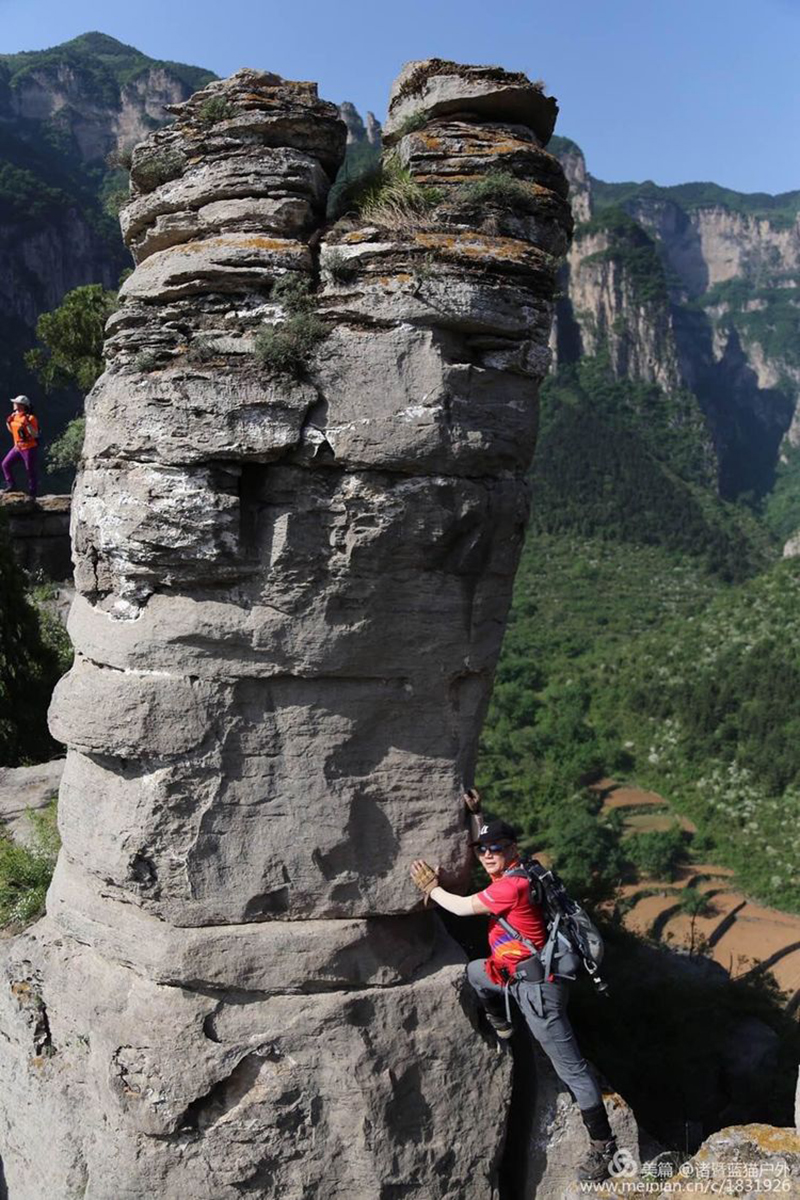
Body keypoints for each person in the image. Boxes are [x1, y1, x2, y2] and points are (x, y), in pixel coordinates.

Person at [410, 791, 618, 1184]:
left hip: (539, 991)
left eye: (496, 848)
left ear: (513, 848)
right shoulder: (525, 870)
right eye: (482, 848)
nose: (487, 854)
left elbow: (459, 907)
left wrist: (432, 888)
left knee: (571, 1070)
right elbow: (489, 854)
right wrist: (477, 816)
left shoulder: (510, 888)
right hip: (512, 975)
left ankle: (604, 1146)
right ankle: (503, 1023)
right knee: (474, 974)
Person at [2, 396, 40, 499]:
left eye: (16, 403)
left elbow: (35, 434)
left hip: (29, 448)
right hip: (18, 447)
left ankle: (33, 493)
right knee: (5, 464)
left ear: (21, 406)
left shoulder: (30, 418)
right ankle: (11, 485)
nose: (13, 404)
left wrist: (27, 424)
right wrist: (8, 422)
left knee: (30, 470)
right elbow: (13, 431)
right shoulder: (14, 416)